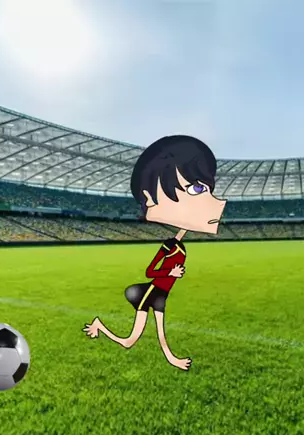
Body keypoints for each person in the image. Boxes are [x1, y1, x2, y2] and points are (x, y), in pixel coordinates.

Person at [83, 135, 226, 370]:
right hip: (151, 291)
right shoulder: (167, 247)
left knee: (139, 337)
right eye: (196, 188)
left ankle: (100, 326)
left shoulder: (176, 240)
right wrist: (171, 272)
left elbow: (185, 226)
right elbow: (150, 271)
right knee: (136, 339)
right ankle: (171, 359)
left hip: (162, 291)